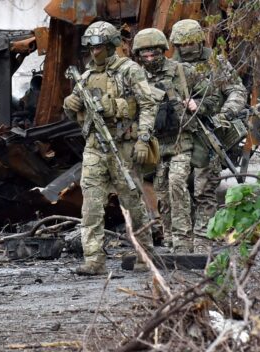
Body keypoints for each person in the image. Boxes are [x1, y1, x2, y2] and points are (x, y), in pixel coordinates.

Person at [63, 21, 156, 275]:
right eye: (91, 48)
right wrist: (71, 105)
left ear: (112, 45)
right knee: (91, 204)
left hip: (123, 145)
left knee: (132, 202)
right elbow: (78, 115)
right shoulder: (85, 77)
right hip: (94, 147)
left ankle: (145, 253)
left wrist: (143, 139)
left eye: (100, 47)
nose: (95, 52)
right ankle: (94, 259)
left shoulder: (129, 70)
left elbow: (148, 105)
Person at [132, 28, 219, 252]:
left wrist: (197, 105)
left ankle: (183, 240)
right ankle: (169, 237)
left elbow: (212, 96)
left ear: (163, 51)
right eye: (145, 56)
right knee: (161, 191)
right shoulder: (136, 77)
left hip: (182, 140)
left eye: (154, 55)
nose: (150, 60)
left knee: (177, 183)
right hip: (156, 145)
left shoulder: (182, 71)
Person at [170, 19, 247, 251]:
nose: (187, 48)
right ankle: (179, 241)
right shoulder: (170, 66)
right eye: (181, 44)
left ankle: (204, 240)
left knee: (205, 189)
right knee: (175, 185)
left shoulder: (215, 63)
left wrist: (226, 113)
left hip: (210, 131)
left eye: (191, 43)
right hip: (180, 135)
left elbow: (236, 90)